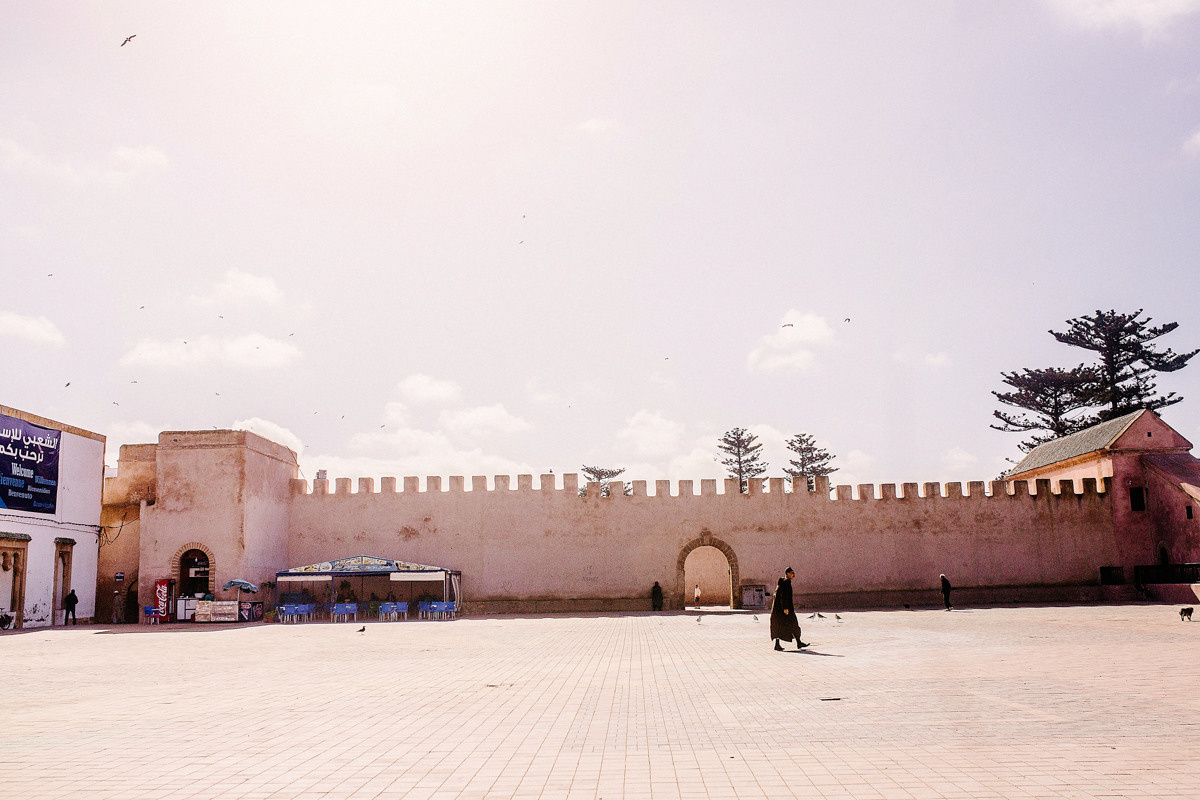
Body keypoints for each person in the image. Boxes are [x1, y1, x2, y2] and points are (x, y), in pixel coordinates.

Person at [770, 568, 808, 650]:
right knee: (792, 624)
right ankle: (798, 642)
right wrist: (785, 608)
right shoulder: (786, 583)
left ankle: (797, 642)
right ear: (787, 573)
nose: (793, 575)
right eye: (792, 573)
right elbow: (784, 596)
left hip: (779, 610)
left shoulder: (783, 583)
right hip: (784, 609)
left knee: (782, 625)